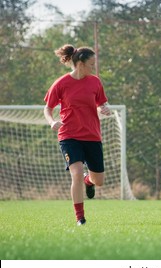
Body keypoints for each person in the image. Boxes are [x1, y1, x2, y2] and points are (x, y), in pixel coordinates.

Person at [44, 44, 111, 226]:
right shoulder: (61, 84)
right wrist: (52, 122)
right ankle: (80, 218)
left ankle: (88, 182)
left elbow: (101, 102)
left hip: (92, 135)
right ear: (80, 64)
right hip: (69, 136)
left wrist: (103, 108)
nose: (93, 67)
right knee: (77, 173)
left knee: (99, 181)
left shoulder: (95, 82)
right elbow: (48, 108)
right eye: (91, 63)